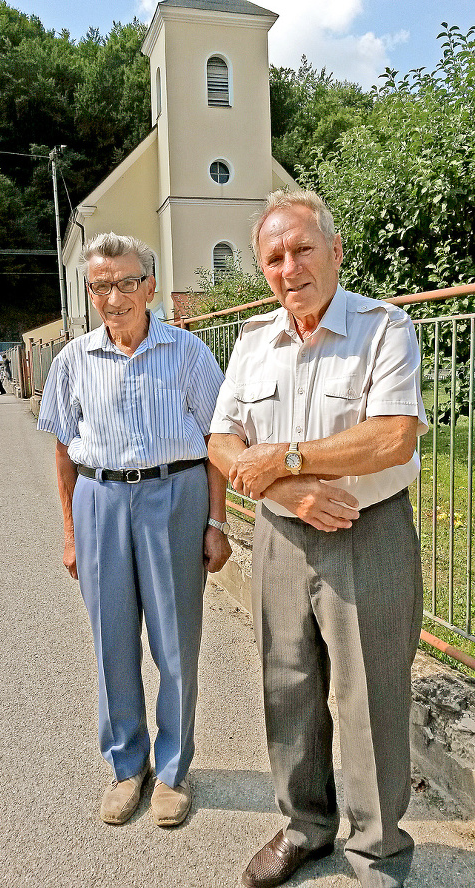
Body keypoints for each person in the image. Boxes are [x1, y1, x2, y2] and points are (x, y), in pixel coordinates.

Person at [208, 190, 428, 888]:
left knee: (370, 701)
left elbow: (393, 435)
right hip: (278, 535)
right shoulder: (252, 342)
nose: (289, 266)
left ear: (335, 251)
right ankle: (306, 827)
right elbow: (221, 439)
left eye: (303, 248)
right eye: (273, 256)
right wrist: (283, 490)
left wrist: (289, 458)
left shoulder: (384, 327)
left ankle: (378, 852)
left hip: (367, 533)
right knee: (288, 686)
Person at [38, 232, 231, 828]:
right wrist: (71, 531)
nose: (114, 295)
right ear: (89, 291)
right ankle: (128, 767)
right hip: (100, 500)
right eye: (101, 285)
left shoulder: (188, 352)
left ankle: (172, 770)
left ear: (150, 286)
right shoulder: (73, 360)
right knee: (111, 642)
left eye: (126, 282)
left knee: (174, 642)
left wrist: (216, 520)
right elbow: (64, 452)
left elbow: (216, 442)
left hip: (174, 495)